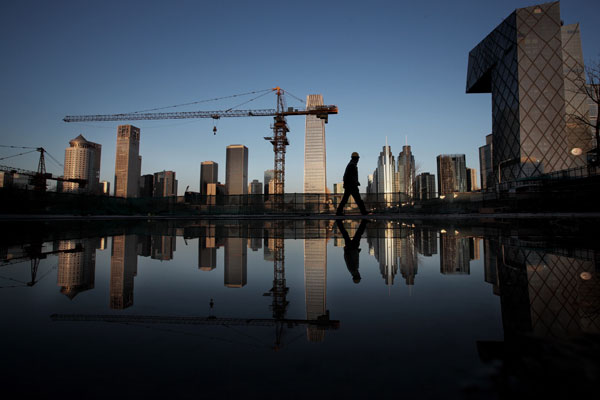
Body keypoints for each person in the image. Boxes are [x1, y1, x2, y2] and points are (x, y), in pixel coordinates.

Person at [336, 219, 368, 283]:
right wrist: (356, 252)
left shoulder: (353, 270)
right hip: (352, 248)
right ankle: (339, 222)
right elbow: (351, 258)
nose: (359, 275)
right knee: (349, 234)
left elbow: (348, 258)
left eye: (359, 276)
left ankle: (364, 222)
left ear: (357, 276)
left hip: (352, 247)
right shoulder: (353, 270)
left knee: (357, 233)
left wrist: (349, 250)